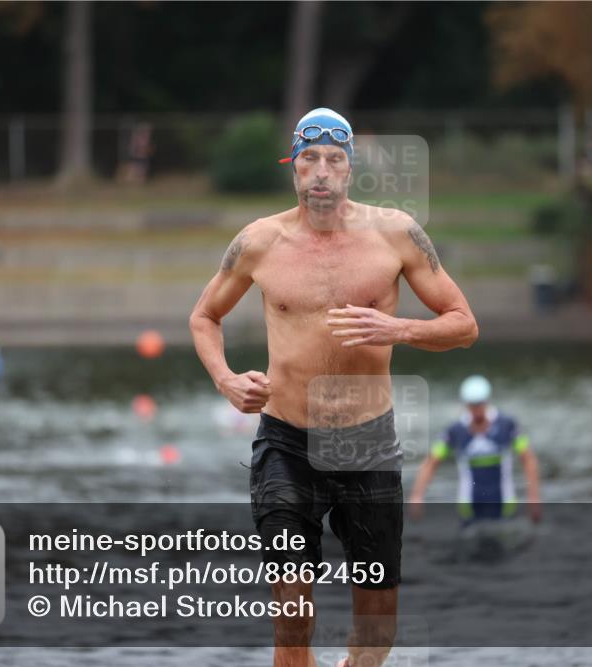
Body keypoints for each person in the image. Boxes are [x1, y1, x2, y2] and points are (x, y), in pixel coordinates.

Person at [189, 107, 478, 667]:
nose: (321, 171)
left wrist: (401, 328)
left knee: (375, 637)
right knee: (291, 624)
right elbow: (204, 317)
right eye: (309, 159)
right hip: (286, 443)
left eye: (334, 160)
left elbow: (464, 323)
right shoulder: (258, 242)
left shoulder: (396, 234)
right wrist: (226, 380)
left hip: (367, 442)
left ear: (350, 171)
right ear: (293, 169)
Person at [409, 375, 541, 533]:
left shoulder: (507, 425)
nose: (476, 410)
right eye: (472, 405)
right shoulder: (455, 431)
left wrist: (534, 498)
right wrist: (417, 496)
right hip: (469, 510)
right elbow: (431, 462)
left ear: (487, 401)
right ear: (466, 405)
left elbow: (528, 459)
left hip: (504, 506)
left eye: (480, 404)